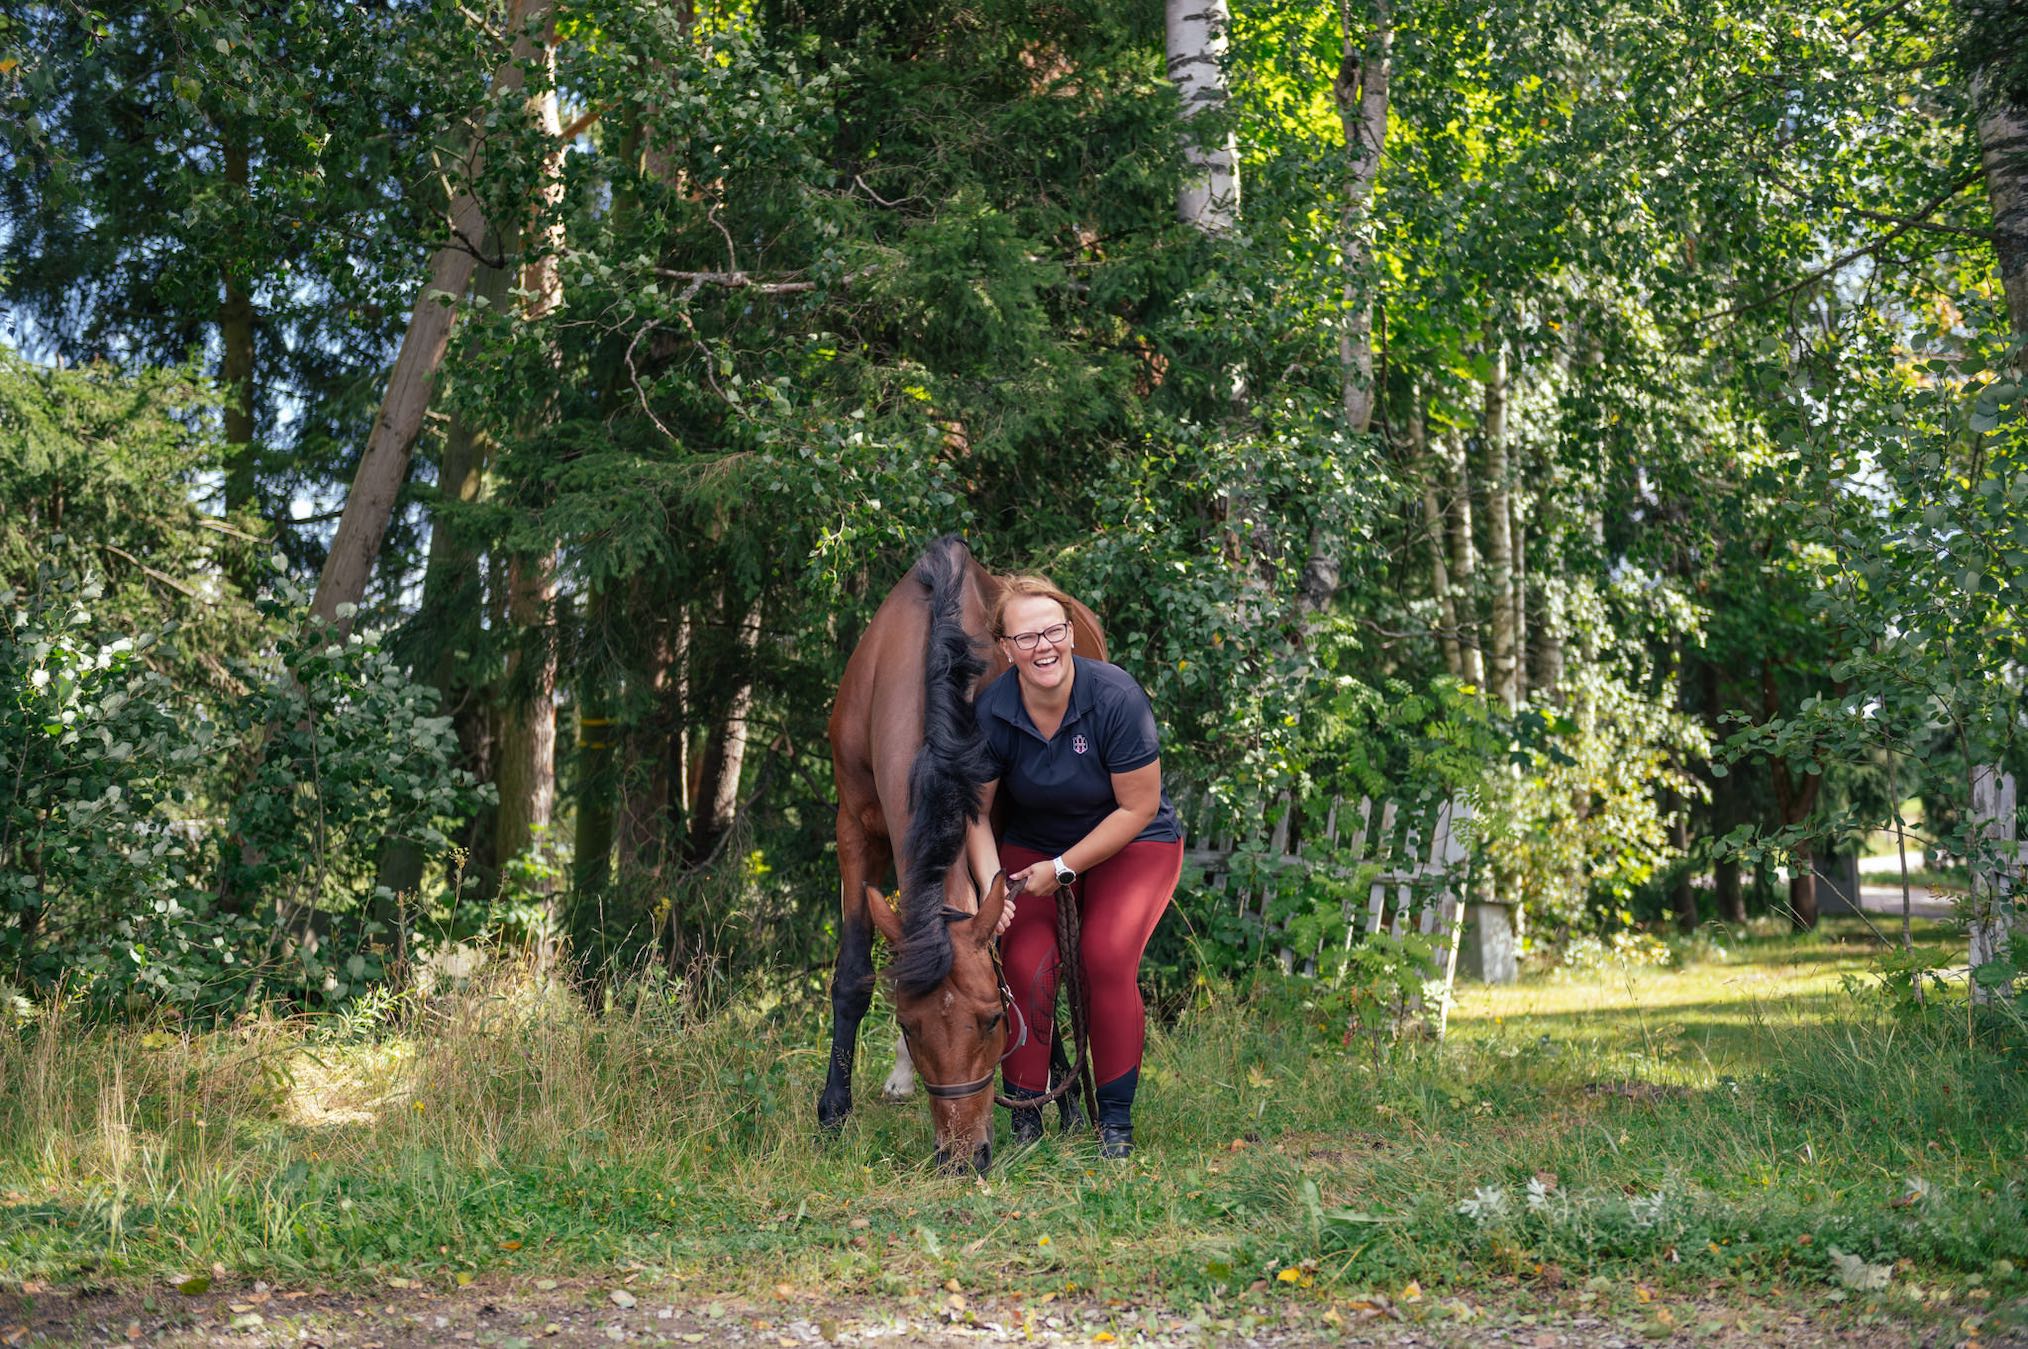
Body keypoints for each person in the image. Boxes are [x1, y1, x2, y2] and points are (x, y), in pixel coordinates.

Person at [965, 575, 1183, 1158]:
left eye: (1054, 631)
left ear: (1069, 633)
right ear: (1006, 648)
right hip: (1035, 845)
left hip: (1132, 840)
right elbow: (977, 815)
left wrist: (1062, 868)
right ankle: (1027, 1120)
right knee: (1023, 959)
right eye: (1028, 636)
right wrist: (995, 891)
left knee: (1105, 956)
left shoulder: (1115, 696)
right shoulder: (993, 711)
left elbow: (1137, 807)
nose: (1045, 646)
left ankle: (1113, 1124)